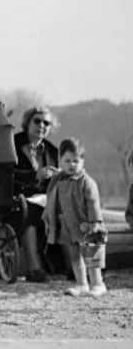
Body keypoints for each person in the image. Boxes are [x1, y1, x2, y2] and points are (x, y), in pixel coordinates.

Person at [43, 138, 107, 297]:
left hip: (85, 223)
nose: (71, 165)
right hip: (66, 222)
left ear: (82, 162)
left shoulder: (86, 182)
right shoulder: (57, 180)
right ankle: (81, 283)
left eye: (76, 161)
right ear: (60, 161)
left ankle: (98, 283)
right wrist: (50, 218)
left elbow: (93, 203)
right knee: (74, 254)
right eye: (67, 161)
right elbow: (51, 198)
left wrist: (95, 221)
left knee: (91, 253)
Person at [12, 106, 60, 282]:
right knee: (30, 212)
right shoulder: (12, 143)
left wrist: (56, 177)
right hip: (16, 198)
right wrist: (35, 175)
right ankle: (34, 267)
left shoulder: (52, 150)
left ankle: (74, 266)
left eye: (46, 123)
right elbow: (5, 174)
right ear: (28, 122)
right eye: (37, 121)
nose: (41, 125)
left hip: (45, 198)